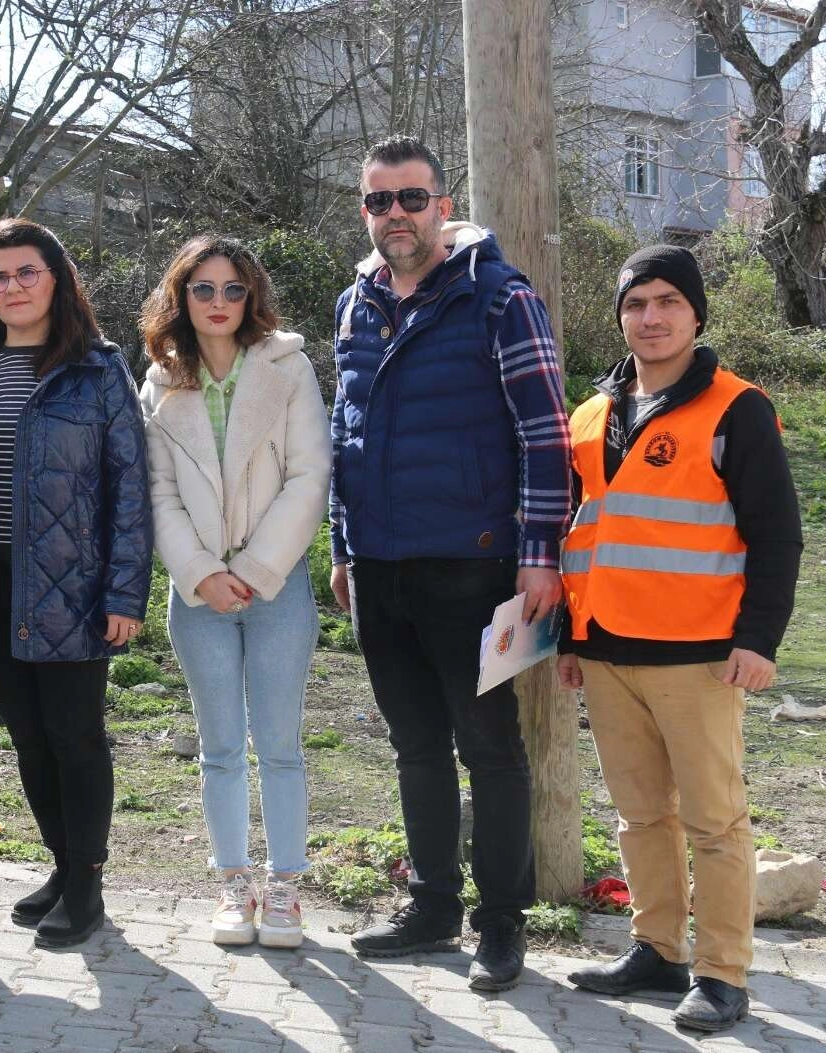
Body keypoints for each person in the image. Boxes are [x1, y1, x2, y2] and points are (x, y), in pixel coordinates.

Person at [328, 135, 573, 991]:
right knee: (415, 747)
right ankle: (432, 904)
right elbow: (344, 435)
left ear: (442, 201)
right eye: (378, 200)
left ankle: (501, 925)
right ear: (364, 209)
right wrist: (341, 543)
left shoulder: (499, 298)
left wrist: (541, 555)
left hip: (474, 567)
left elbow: (545, 434)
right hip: (380, 568)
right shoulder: (353, 303)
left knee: (490, 749)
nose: (395, 214)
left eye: (410, 197)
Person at [557, 245, 802, 1032]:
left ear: (697, 314)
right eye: (636, 303)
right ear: (620, 315)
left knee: (715, 820)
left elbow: (778, 536)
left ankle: (722, 974)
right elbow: (581, 530)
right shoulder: (591, 412)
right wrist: (569, 634)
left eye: (667, 301)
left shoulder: (738, 408)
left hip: (700, 654)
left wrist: (759, 638)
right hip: (605, 648)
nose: (651, 317)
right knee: (638, 816)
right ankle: (656, 950)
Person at [0, 218, 152, 949]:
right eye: (0, 275)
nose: (12, 286)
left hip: (72, 585)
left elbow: (130, 489)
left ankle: (87, 885)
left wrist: (123, 593)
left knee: (75, 737)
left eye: (27, 273)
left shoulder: (98, 369)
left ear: (57, 280)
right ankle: (61, 867)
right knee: (29, 740)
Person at [138, 236, 330, 948]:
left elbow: (311, 476)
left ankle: (283, 889)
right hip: (198, 594)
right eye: (203, 289)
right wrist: (201, 573)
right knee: (218, 746)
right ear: (181, 297)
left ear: (251, 297)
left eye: (232, 290)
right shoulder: (160, 380)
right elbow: (156, 492)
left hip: (275, 586)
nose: (218, 303)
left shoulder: (288, 367)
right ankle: (232, 883)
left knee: (279, 743)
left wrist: (253, 568)